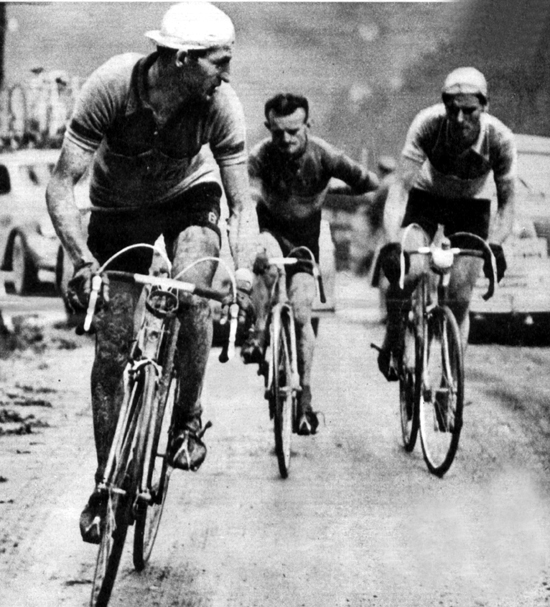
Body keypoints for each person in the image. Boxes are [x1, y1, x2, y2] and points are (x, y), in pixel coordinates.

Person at [46, 2, 258, 544]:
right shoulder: (111, 87)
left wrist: (241, 273)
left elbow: (243, 205)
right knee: (112, 348)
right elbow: (61, 185)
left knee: (193, 292)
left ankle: (186, 415)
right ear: (182, 59)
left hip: (191, 196)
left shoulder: (221, 106)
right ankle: (105, 483)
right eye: (219, 62)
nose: (226, 75)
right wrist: (80, 257)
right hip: (118, 209)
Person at [243, 93, 379, 435]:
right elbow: (240, 192)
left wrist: (329, 187)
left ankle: (304, 397)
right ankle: (258, 333)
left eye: (294, 132)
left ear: (308, 126)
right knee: (267, 262)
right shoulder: (260, 155)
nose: (286, 140)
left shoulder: (325, 154)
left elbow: (370, 184)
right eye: (278, 133)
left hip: (306, 239)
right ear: (268, 128)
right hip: (269, 231)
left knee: (303, 314)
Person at [377, 67, 516, 380]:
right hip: (427, 198)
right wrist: (392, 242)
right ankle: (395, 333)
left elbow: (507, 205)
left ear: (485, 107)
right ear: (444, 106)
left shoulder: (499, 138)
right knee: (409, 272)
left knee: (459, 296)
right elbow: (399, 188)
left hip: (472, 206)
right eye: (453, 110)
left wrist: (495, 244)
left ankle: (447, 381)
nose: (460, 118)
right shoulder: (428, 123)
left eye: (470, 110)